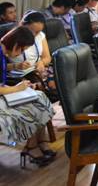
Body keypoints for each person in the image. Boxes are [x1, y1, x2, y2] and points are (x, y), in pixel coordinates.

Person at [0, 26, 56, 167]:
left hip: (4, 90)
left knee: (39, 98)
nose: (21, 53)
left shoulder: (3, 51)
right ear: (16, 45)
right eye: (22, 50)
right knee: (27, 108)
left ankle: (41, 141)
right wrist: (17, 88)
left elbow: (2, 68)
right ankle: (31, 146)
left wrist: (16, 66)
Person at [7, 11, 56, 96]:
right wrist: (17, 65)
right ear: (22, 25)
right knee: (40, 87)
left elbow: (47, 57)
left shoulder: (40, 35)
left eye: (38, 31)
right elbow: (2, 67)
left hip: (37, 69)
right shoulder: (11, 38)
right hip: (19, 74)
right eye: (32, 31)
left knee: (59, 81)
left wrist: (41, 62)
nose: (35, 35)